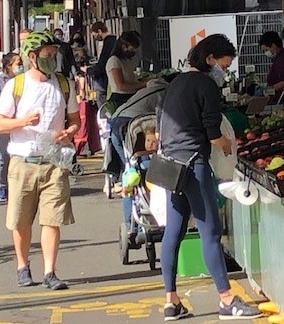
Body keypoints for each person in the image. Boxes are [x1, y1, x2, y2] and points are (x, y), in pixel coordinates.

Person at [158, 34, 262, 321]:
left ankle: (171, 301)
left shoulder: (177, 82)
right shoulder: (205, 84)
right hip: (194, 163)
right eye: (224, 66)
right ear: (210, 60)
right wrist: (226, 144)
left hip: (170, 165)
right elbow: (212, 131)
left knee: (173, 232)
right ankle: (227, 300)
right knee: (211, 232)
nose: (224, 72)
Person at [0, 30, 80, 291]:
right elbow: (0, 124)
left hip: (54, 162)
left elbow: (75, 120)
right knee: (20, 220)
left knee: (52, 219)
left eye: (54, 54)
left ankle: (50, 272)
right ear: (32, 57)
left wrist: (70, 132)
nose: (53, 59)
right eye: (47, 55)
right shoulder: (15, 86)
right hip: (22, 161)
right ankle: (22, 265)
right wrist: (23, 121)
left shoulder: (64, 84)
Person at [110, 72, 179, 174]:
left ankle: (125, 176)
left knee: (126, 156)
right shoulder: (166, 92)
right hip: (131, 118)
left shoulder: (150, 87)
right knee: (132, 156)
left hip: (117, 115)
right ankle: (131, 174)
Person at [0, 52, 23, 204]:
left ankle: (18, 187)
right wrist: (2, 118)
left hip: (21, 123)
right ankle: (3, 188)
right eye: (18, 63)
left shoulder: (23, 79)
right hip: (5, 124)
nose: (21, 66)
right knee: (3, 156)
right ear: (8, 66)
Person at [105, 31, 146, 109]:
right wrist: (143, 84)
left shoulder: (126, 60)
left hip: (131, 96)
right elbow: (121, 85)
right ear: (124, 47)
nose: (133, 52)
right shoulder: (114, 61)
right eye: (131, 49)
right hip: (120, 99)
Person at [86, 21, 117, 109]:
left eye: (95, 35)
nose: (95, 38)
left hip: (105, 81)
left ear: (99, 31)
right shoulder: (114, 41)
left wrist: (88, 70)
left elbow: (102, 64)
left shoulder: (108, 43)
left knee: (104, 106)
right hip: (110, 79)